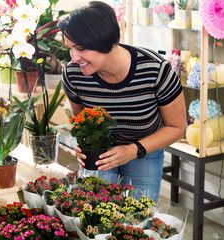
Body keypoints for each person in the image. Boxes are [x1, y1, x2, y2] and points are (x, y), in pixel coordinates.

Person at [59, 1, 186, 201]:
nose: (73, 57)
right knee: (95, 218)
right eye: (69, 49)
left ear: (104, 40)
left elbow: (176, 127)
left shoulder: (156, 70)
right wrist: (82, 144)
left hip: (145, 149)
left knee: (137, 219)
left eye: (80, 48)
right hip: (100, 153)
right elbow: (82, 121)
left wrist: (133, 150)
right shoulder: (74, 74)